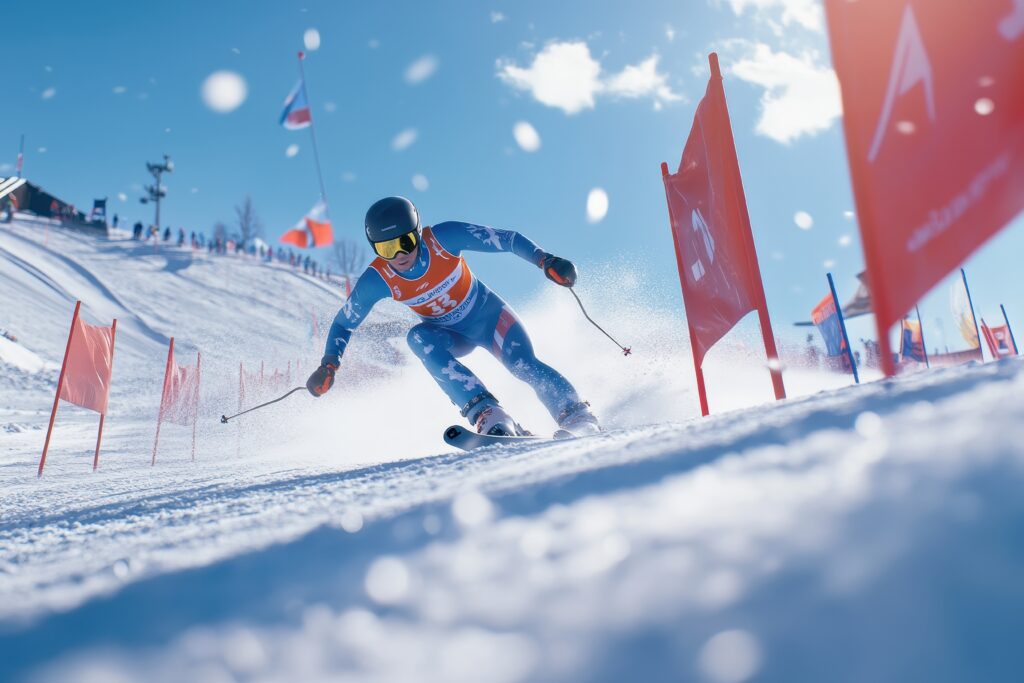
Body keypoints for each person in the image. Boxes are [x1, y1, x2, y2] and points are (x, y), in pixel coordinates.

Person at [306, 196, 599, 437]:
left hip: (491, 319)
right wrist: (329, 363)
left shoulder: (443, 239)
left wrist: (545, 260)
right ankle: (488, 415)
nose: (399, 255)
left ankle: (577, 416)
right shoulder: (377, 279)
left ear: (418, 232)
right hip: (449, 336)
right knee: (418, 338)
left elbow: (506, 240)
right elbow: (345, 322)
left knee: (521, 364)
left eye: (405, 242)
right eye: (387, 248)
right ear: (375, 249)